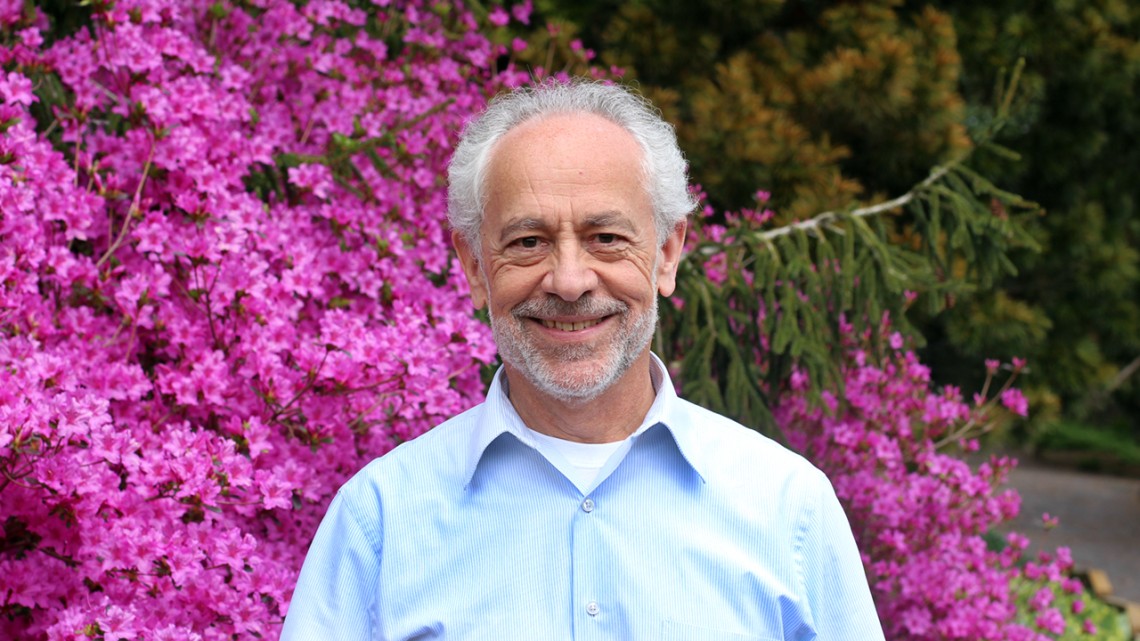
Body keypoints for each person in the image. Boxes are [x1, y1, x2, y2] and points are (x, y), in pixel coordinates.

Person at [281, 80, 885, 640]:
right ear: (472, 266)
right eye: (527, 242)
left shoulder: (790, 509)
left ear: (668, 253)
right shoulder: (379, 520)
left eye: (606, 237)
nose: (569, 281)